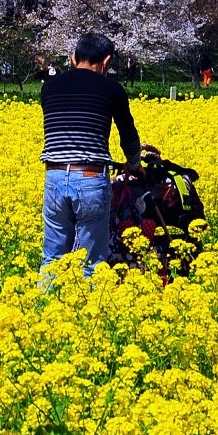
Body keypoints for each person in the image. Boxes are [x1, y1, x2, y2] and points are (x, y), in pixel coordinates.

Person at [37, 32, 142, 277]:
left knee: (52, 258)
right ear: (106, 61)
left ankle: (45, 311)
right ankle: (89, 312)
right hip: (90, 178)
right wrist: (135, 165)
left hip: (53, 176)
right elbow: (128, 133)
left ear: (73, 58)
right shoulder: (112, 89)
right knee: (91, 262)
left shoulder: (49, 88)